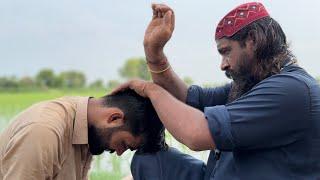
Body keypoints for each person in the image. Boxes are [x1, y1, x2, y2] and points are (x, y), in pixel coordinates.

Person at [112, 2, 320, 179]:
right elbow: (189, 99)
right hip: (216, 174)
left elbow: (195, 134)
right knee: (148, 160)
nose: (223, 65)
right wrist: (154, 53)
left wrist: (150, 89)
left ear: (253, 41)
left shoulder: (291, 92)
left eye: (226, 52)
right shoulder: (254, 85)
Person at [0, 89, 166, 180]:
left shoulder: (87, 129)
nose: (120, 152)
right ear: (114, 118)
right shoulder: (44, 132)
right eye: (124, 144)